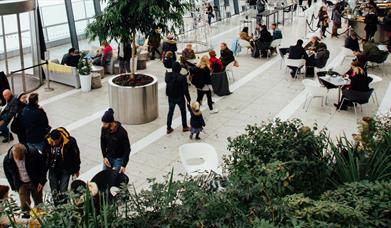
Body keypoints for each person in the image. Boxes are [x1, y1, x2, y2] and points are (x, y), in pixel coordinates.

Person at [3, 143, 46, 217]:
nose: (19, 161)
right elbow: (8, 174)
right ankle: (26, 220)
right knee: (24, 206)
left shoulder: (33, 153)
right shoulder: (8, 159)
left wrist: (41, 182)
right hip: (21, 184)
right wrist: (13, 186)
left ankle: (41, 219)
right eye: (17, 159)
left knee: (39, 203)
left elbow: (42, 167)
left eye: (21, 159)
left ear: (24, 153)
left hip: (35, 182)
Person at [44, 128, 80, 203]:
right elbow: (45, 156)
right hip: (53, 168)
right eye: (53, 141)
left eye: (56, 141)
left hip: (65, 168)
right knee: (54, 190)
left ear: (60, 138)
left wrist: (76, 169)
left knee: (63, 190)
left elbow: (76, 155)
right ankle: (57, 206)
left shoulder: (70, 142)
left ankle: (64, 206)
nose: (54, 143)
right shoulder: (48, 142)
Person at [101, 108, 131, 173]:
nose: (103, 125)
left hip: (118, 159)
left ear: (111, 123)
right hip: (108, 157)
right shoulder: (104, 129)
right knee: (103, 175)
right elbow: (102, 142)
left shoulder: (122, 132)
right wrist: (104, 157)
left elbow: (127, 149)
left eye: (105, 123)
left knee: (113, 179)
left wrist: (124, 165)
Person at [165, 62, 191, 134]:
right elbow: (185, 90)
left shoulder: (168, 76)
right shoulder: (182, 77)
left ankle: (168, 127)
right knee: (183, 111)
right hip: (180, 97)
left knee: (170, 112)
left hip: (171, 96)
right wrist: (188, 99)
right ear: (180, 69)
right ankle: (184, 126)